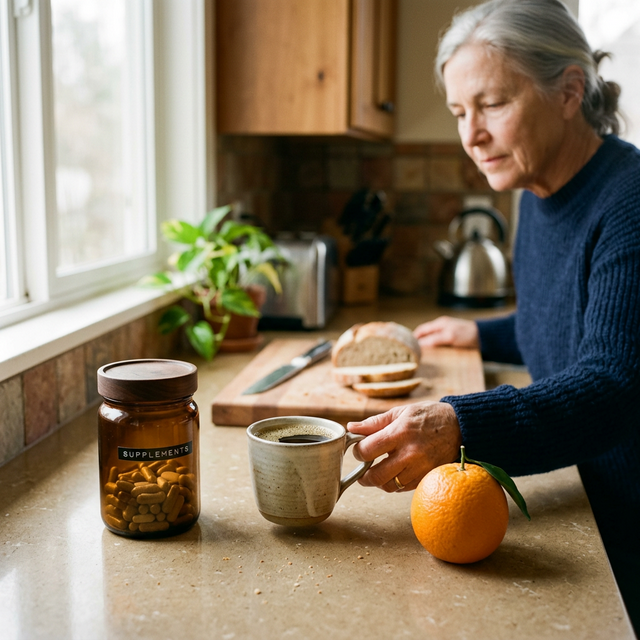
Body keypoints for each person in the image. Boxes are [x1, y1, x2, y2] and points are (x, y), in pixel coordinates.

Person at [347, 0, 640, 630]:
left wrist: (460, 423)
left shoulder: (630, 201)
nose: (471, 135)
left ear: (569, 91)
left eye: (493, 104)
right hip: (587, 494)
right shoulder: (538, 190)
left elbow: (614, 385)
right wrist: (484, 331)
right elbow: (571, 315)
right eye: (459, 112)